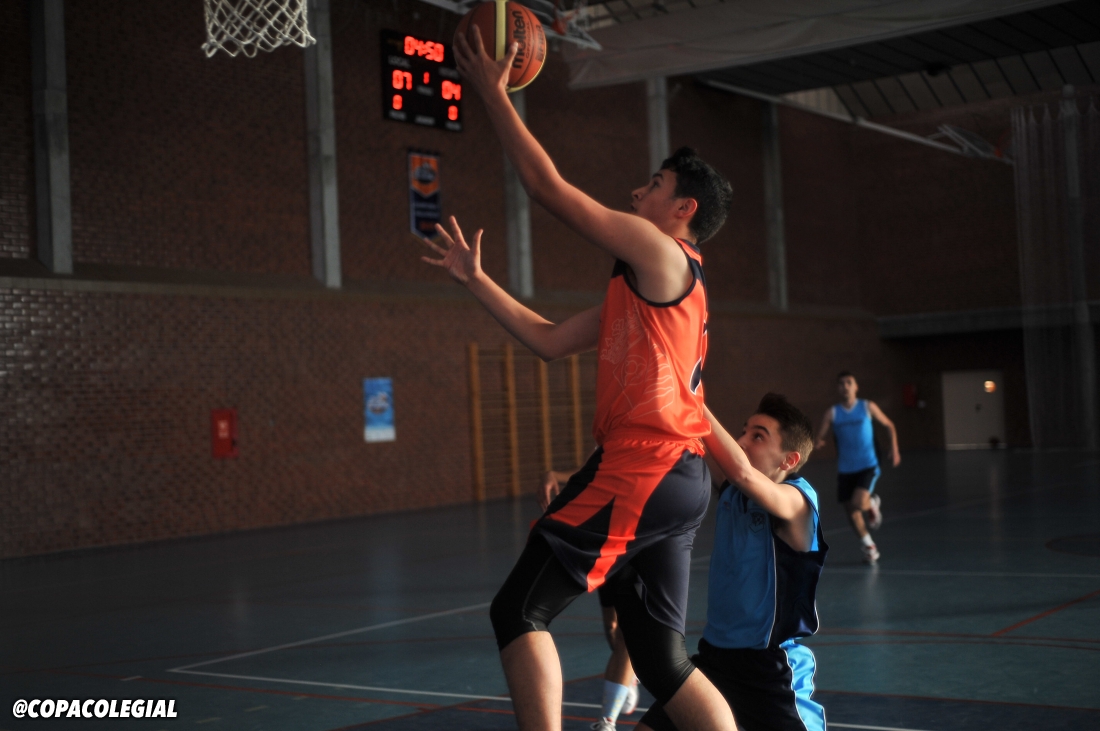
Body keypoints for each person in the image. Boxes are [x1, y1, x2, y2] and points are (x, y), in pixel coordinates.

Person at [420, 26, 735, 731]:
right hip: (680, 477)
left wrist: (494, 94)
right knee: (659, 658)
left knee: (518, 609)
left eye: (655, 185)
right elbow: (548, 340)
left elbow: (547, 188)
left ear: (682, 210)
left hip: (647, 466)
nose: (637, 191)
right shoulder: (648, 292)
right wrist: (476, 280)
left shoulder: (663, 253)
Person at [638, 393, 828, 731]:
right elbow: (700, 442)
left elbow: (741, 471)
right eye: (743, 431)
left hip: (769, 670)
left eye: (758, 436)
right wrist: (672, 393)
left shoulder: (798, 500)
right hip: (714, 661)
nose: (742, 441)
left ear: (789, 459)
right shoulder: (732, 492)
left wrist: (691, 396)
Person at [540, 470, 640, 731]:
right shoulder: (609, 451)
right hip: (605, 547)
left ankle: (608, 720)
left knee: (628, 636)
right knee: (611, 627)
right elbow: (594, 469)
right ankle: (627, 676)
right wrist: (555, 475)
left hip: (636, 545)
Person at [815, 372, 900, 564]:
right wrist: (818, 441)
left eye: (849, 382)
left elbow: (889, 425)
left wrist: (894, 448)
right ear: (838, 388)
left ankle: (872, 503)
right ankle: (869, 546)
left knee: (859, 502)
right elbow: (821, 434)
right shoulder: (833, 412)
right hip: (845, 469)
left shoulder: (867, 406)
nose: (845, 386)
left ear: (856, 387)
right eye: (841, 383)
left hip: (868, 465)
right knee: (851, 511)